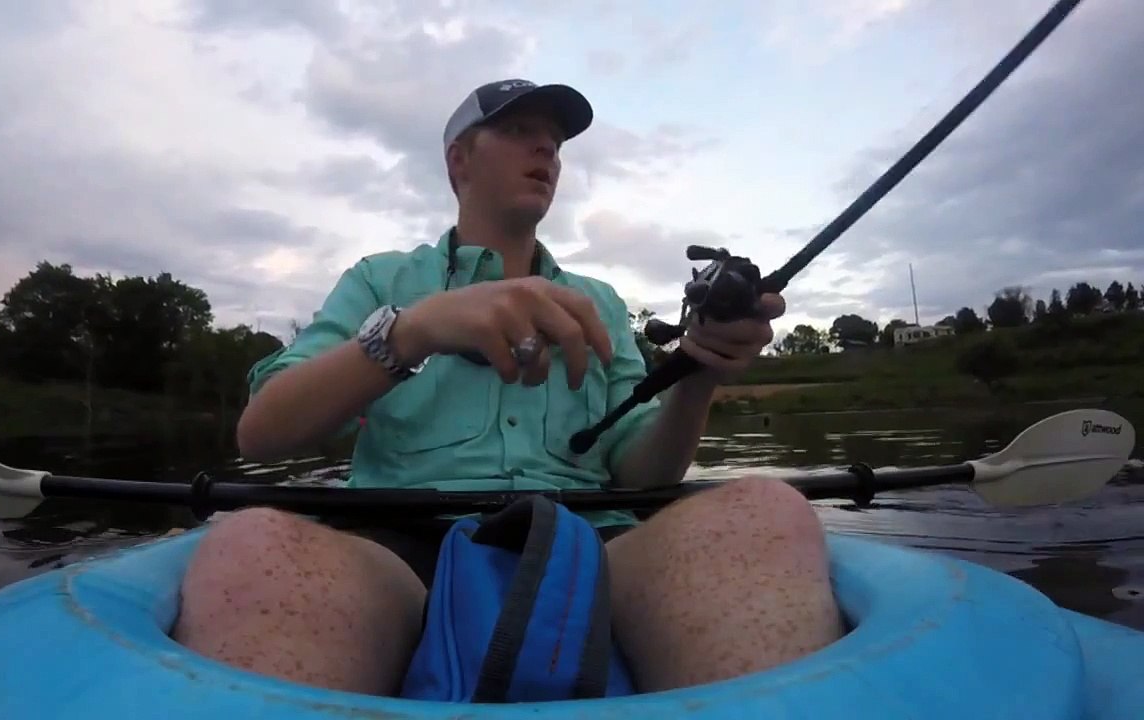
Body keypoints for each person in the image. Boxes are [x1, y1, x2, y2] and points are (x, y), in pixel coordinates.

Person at [171, 78, 845, 697]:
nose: (546, 149)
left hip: (596, 543)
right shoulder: (380, 280)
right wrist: (414, 330)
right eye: (520, 130)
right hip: (392, 549)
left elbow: (642, 471)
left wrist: (696, 377)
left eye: (554, 141)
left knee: (767, 508)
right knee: (252, 543)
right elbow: (263, 432)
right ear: (458, 161)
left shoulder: (601, 303)